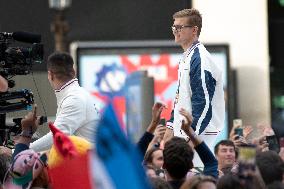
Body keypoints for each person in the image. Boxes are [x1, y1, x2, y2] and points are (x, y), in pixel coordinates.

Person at [164, 8, 225, 150]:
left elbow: (203, 104)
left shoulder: (201, 59)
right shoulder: (188, 56)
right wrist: (171, 126)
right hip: (187, 134)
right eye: (174, 27)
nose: (175, 31)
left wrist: (190, 140)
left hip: (199, 137)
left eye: (180, 27)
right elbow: (181, 99)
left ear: (194, 30)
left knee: (197, 173)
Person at [29, 52, 100, 152]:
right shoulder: (77, 94)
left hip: (90, 163)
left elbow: (58, 137)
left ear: (50, 75)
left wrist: (19, 150)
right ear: (74, 71)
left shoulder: (74, 99)